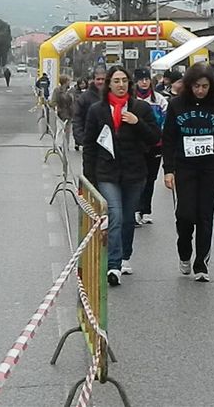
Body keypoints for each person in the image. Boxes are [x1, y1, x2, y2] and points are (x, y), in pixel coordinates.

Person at [83, 66, 161, 286]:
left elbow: (155, 137)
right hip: (107, 172)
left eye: (124, 81)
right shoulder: (97, 110)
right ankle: (113, 265)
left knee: (128, 219)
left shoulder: (141, 108)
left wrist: (137, 123)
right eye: (116, 81)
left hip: (134, 173)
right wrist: (90, 178)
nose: (120, 85)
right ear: (108, 83)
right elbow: (89, 145)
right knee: (115, 216)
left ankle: (125, 255)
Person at [162, 63, 214, 282]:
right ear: (189, 85)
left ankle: (201, 262)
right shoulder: (176, 105)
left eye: (204, 86)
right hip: (184, 166)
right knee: (185, 215)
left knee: (205, 216)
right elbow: (168, 139)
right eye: (196, 86)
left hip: (210, 167)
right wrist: (168, 170)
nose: (200, 90)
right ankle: (184, 252)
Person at [133, 67, 169, 225]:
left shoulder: (159, 99)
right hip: (137, 145)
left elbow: (166, 121)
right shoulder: (131, 98)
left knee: (150, 179)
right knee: (137, 178)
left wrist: (160, 136)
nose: (144, 82)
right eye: (141, 79)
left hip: (156, 144)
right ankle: (135, 209)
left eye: (146, 79)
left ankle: (146, 210)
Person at [74, 66, 106, 152]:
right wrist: (80, 138)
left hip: (108, 141)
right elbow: (77, 117)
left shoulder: (111, 95)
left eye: (103, 79)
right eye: (98, 79)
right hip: (90, 140)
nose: (100, 81)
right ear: (93, 80)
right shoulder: (85, 97)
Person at [49, 74, 75, 149]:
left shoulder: (71, 90)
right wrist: (56, 108)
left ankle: (66, 145)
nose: (70, 82)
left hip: (69, 112)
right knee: (60, 129)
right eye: (68, 81)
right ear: (65, 82)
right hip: (60, 113)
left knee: (68, 130)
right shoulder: (57, 90)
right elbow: (53, 102)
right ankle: (58, 145)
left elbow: (73, 101)